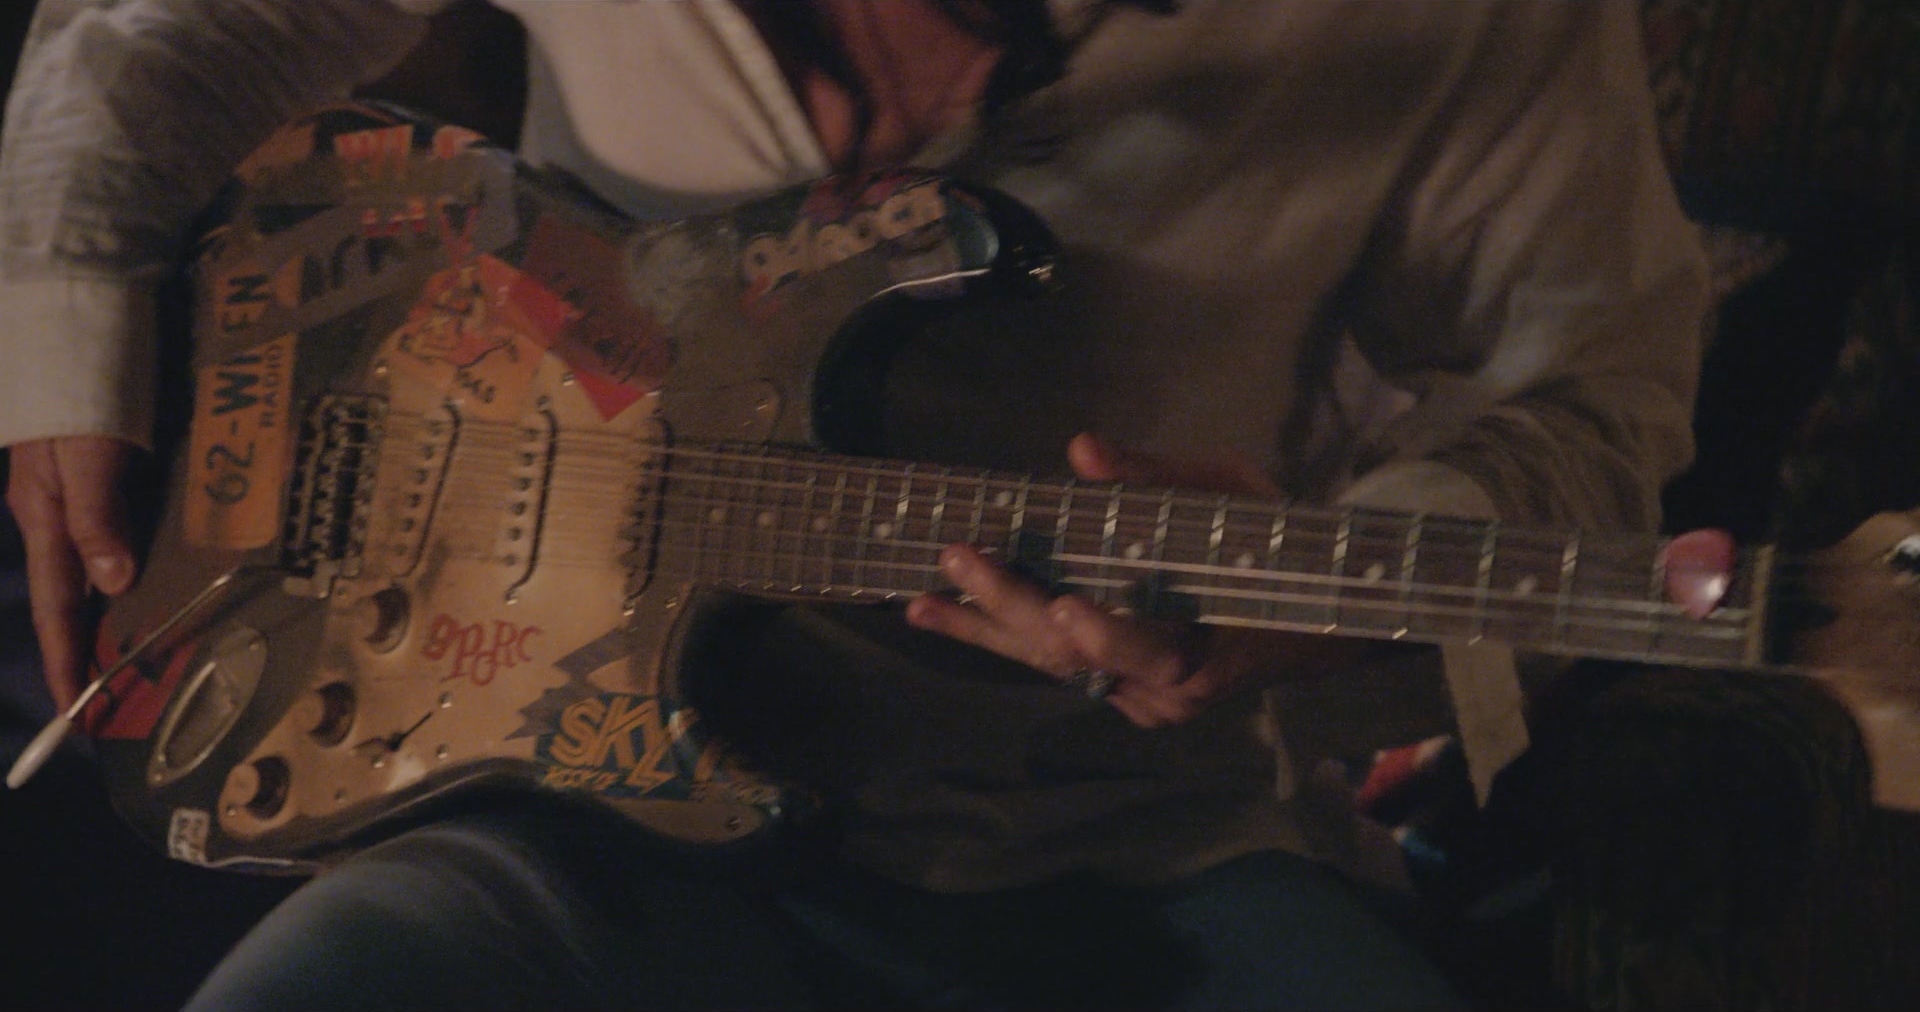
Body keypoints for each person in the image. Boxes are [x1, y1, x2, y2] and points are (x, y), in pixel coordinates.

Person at [0, 1, 1709, 1008]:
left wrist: (1303, 614)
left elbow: (1593, 416)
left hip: (1120, 839)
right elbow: (160, 33)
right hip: (558, 813)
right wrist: (69, 347)